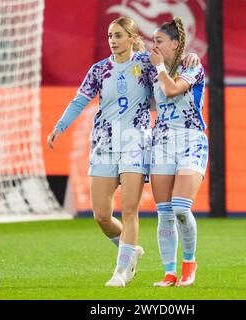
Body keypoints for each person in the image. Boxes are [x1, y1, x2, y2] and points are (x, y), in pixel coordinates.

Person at [47, 17, 199, 287]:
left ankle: (121, 272)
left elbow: (170, 69)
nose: (112, 41)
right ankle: (130, 251)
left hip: (136, 143)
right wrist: (60, 126)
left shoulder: (145, 64)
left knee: (129, 210)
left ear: (131, 37)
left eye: (118, 36)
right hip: (104, 144)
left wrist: (191, 57)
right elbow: (79, 99)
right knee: (102, 216)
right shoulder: (99, 70)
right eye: (109, 36)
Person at [149, 17, 208, 287]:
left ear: (175, 43)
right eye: (153, 41)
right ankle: (170, 272)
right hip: (161, 143)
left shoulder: (191, 67)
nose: (154, 46)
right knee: (164, 213)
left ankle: (189, 263)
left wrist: (160, 66)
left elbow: (172, 90)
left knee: (181, 209)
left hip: (190, 140)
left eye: (159, 41)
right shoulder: (151, 69)